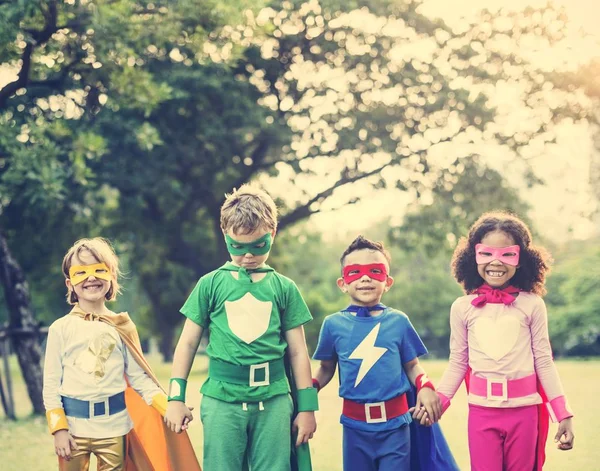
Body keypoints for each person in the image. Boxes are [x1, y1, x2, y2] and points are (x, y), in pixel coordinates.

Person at [164, 184, 318, 471]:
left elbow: (298, 352)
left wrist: (307, 407)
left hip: (273, 400)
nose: (248, 256)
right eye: (238, 246)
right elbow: (186, 344)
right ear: (226, 237)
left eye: (258, 245)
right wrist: (175, 397)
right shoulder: (210, 284)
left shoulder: (284, 288)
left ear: (272, 234)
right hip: (222, 400)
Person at [43, 237, 200, 471]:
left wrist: (170, 407)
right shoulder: (60, 328)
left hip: (114, 428)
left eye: (99, 270)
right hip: (74, 430)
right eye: (81, 273)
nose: (91, 278)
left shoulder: (121, 325)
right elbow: (51, 384)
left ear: (111, 277)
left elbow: (140, 379)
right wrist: (59, 429)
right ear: (69, 284)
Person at [434, 211, 575, 470]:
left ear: (521, 259)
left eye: (506, 254)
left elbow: (544, 361)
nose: (495, 262)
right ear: (472, 256)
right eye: (486, 254)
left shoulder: (533, 305)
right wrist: (438, 403)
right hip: (481, 411)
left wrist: (562, 412)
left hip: (525, 412)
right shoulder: (462, 307)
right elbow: (458, 362)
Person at [312, 235, 456, 471]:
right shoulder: (332, 324)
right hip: (354, 426)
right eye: (355, 272)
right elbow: (326, 368)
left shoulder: (398, 321)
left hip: (396, 426)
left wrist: (426, 386)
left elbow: (412, 365)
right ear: (343, 283)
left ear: (388, 282)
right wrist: (307, 392)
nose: (365, 278)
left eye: (375, 271)